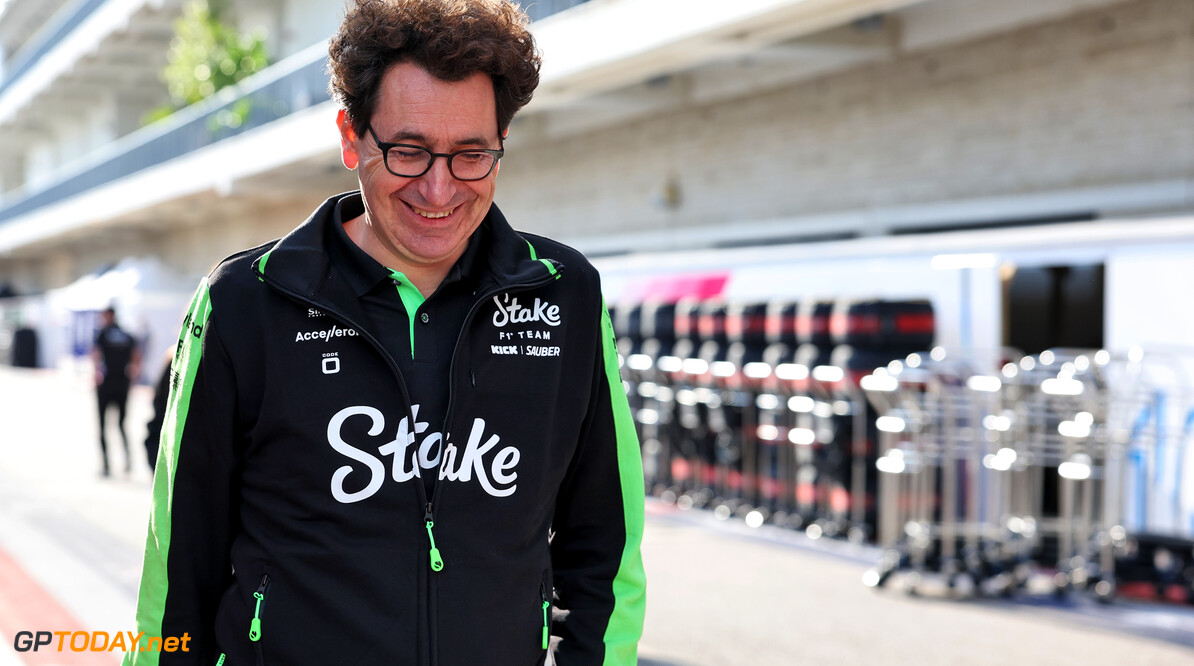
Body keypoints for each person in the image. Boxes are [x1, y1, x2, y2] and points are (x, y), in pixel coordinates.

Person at [126, 1, 646, 664]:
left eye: (470, 156)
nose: (438, 191)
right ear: (351, 137)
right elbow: (179, 570)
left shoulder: (564, 294)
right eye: (408, 152)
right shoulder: (243, 303)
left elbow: (605, 542)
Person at [93, 306, 140, 476]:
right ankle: (128, 459)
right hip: (122, 382)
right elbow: (136, 355)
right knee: (121, 424)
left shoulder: (103, 333)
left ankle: (106, 465)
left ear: (108, 316)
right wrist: (133, 371)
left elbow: (96, 355)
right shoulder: (126, 334)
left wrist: (96, 373)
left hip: (106, 383)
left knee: (103, 424)